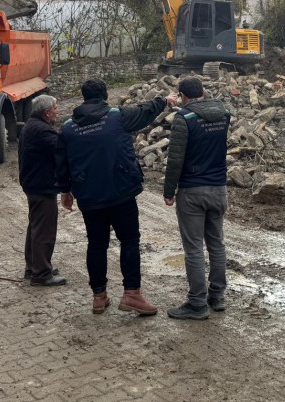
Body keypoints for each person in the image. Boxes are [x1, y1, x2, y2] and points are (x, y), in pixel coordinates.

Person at [55, 78, 177, 315]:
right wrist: (164, 100)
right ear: (105, 95)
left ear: (83, 97)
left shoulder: (68, 128)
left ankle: (99, 296)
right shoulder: (117, 116)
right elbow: (145, 111)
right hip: (121, 192)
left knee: (96, 244)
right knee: (129, 241)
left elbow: (62, 162)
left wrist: (65, 191)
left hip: (89, 196)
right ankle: (132, 294)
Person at [163, 76, 231, 320]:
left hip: (192, 191)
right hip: (219, 189)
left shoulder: (184, 118)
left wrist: (169, 191)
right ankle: (217, 295)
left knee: (193, 249)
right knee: (217, 244)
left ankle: (197, 303)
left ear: (182, 96)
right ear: (203, 91)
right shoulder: (224, 114)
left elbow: (175, 159)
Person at [18, 94, 66, 286]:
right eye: (55, 108)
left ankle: (33, 267)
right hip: (41, 186)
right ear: (46, 112)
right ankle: (42, 274)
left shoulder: (31, 126)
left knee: (36, 227)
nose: (57, 111)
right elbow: (62, 150)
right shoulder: (43, 131)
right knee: (44, 231)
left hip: (33, 184)